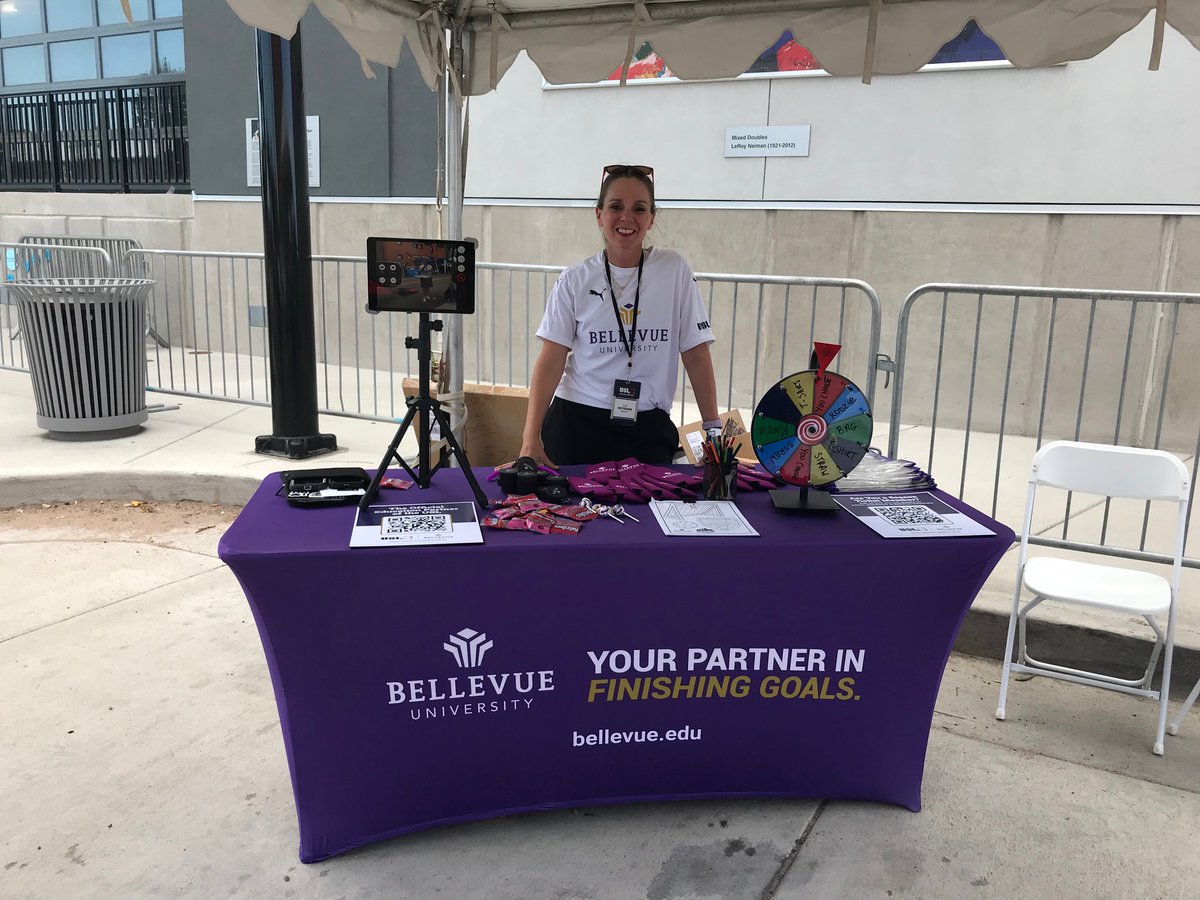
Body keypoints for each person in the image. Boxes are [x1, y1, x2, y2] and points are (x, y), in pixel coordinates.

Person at [519, 164, 721, 467]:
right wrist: (530, 439)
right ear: (599, 215)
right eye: (615, 206)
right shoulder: (575, 279)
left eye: (639, 208)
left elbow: (695, 352)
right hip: (577, 424)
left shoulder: (674, 271)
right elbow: (551, 359)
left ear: (651, 218)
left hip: (648, 429)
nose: (627, 217)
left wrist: (713, 430)